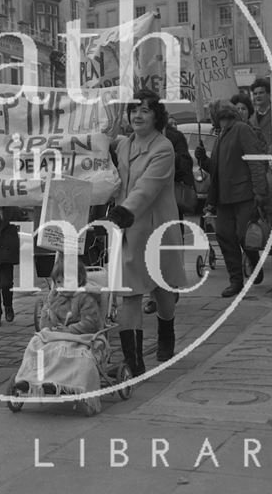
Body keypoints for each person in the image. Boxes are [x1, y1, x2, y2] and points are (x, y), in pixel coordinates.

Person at [107, 89, 186, 374]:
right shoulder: (122, 145)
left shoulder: (163, 148)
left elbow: (147, 187)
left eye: (145, 110)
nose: (137, 115)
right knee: (129, 293)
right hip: (127, 230)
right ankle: (134, 361)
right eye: (133, 109)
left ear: (157, 116)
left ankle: (167, 330)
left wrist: (126, 210)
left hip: (155, 230)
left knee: (162, 289)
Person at [194, 100, 267, 296]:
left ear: (219, 115)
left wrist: (259, 192)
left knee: (244, 236)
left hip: (243, 194)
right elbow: (218, 170)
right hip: (223, 197)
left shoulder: (241, 129)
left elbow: (255, 161)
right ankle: (236, 281)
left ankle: (254, 261)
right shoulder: (221, 135)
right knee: (225, 237)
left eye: (212, 115)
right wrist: (204, 160)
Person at [14, 255, 104, 407]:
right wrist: (48, 311)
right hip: (55, 335)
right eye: (58, 282)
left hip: (79, 337)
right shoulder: (55, 297)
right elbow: (44, 325)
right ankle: (29, 379)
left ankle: (65, 383)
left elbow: (91, 323)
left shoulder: (85, 298)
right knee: (36, 344)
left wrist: (68, 330)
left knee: (71, 353)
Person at [144, 120, 192, 315]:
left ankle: (171, 285)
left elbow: (186, 164)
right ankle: (153, 295)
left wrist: (172, 158)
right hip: (145, 203)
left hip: (169, 199)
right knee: (148, 248)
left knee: (169, 247)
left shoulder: (174, 137)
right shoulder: (138, 139)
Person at [250, 78, 272, 154]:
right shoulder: (251, 119)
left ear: (269, 94)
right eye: (255, 94)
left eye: (261, 93)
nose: (258, 96)